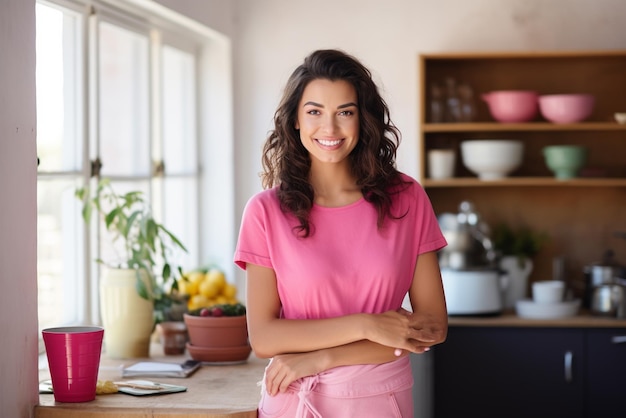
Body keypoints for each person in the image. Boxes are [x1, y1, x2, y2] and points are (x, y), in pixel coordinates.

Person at [234, 49, 448, 417]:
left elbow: (431, 327)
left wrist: (320, 358)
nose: (329, 129)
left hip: (380, 402)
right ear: (296, 120)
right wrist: (368, 324)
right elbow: (265, 338)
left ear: (363, 120)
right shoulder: (265, 212)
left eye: (345, 113)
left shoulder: (406, 198)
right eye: (314, 111)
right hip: (293, 402)